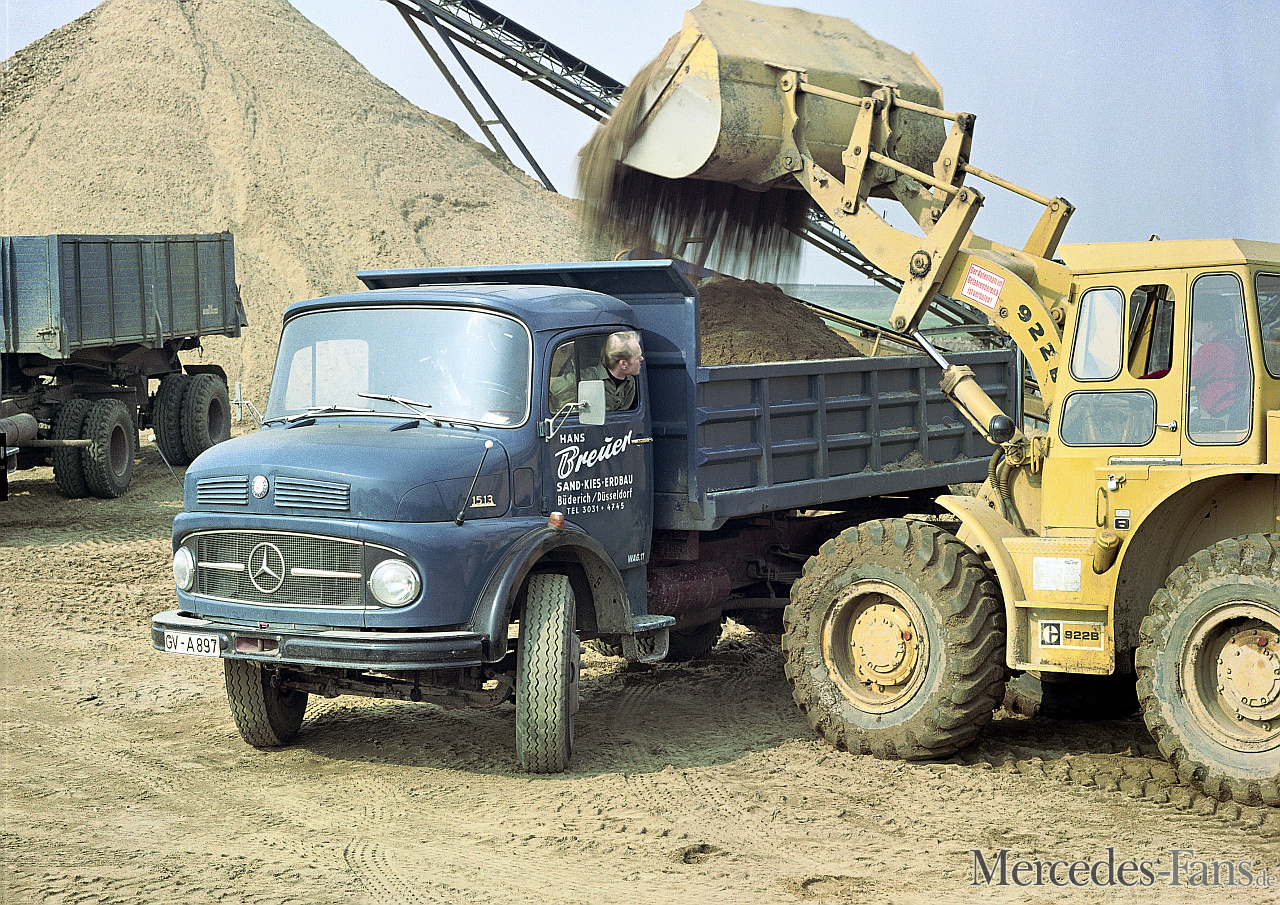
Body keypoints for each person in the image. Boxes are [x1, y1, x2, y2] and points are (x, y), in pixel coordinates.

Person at [549, 330, 644, 413]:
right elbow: (549, 387)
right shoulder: (584, 379)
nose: (642, 359)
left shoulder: (629, 383)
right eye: (637, 357)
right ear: (623, 364)